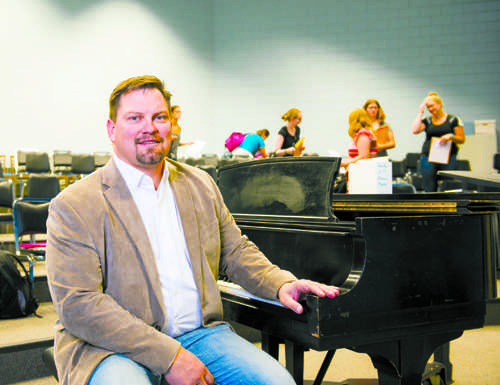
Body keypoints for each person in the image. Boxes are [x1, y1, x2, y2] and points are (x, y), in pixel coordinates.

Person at [45, 75, 340, 385]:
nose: (150, 128)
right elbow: (79, 305)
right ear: (112, 129)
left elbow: (235, 252)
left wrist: (280, 284)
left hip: (200, 336)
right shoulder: (75, 205)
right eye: (135, 118)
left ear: (171, 124)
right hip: (108, 347)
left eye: (159, 117)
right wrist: (168, 356)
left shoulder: (199, 184)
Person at [411, 92, 465, 192]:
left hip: (448, 157)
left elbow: (461, 139)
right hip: (429, 157)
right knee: (429, 187)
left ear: (439, 104)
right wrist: (420, 112)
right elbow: (414, 130)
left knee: (448, 186)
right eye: (428, 107)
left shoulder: (453, 119)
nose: (430, 109)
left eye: (432, 106)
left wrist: (451, 136)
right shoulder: (428, 121)